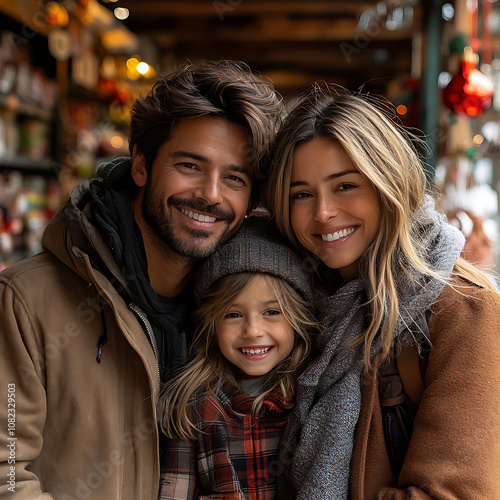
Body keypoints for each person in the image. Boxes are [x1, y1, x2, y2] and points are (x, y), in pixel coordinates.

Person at [0, 60, 282, 499]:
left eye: (234, 178)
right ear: (140, 166)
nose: (210, 194)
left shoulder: (245, 310)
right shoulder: (27, 301)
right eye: (190, 165)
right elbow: (6, 475)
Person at [266, 86, 500, 499]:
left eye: (345, 186)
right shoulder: (294, 307)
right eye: (301, 194)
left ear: (386, 182)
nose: (322, 212)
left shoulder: (461, 307)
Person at [157, 216, 319, 500]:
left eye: (271, 312)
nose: (253, 331)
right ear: (212, 324)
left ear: (297, 318)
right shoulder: (191, 409)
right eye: (233, 315)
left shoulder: (312, 400)